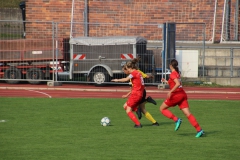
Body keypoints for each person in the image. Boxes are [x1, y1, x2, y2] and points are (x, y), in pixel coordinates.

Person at [159, 59, 204, 137]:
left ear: (170, 66)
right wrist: (166, 81)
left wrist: (170, 91)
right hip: (182, 94)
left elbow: (177, 83)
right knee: (188, 114)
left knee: (162, 109)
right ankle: (199, 130)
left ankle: (176, 120)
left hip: (176, 95)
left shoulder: (172, 74)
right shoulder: (177, 73)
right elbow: (176, 83)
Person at [111, 59, 144, 128]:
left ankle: (138, 124)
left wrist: (117, 80)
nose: (127, 70)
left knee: (128, 110)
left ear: (130, 68)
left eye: (127, 69)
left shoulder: (133, 73)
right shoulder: (138, 73)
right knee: (125, 106)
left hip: (136, 94)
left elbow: (126, 79)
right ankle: (137, 110)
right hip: (139, 93)